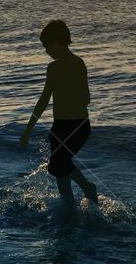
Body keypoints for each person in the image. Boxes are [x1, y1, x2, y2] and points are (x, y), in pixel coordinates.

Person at [20, 19, 97, 206]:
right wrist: (27, 131)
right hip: (59, 127)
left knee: (57, 165)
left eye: (47, 46)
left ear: (56, 42)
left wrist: (69, 93)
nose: (46, 51)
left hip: (77, 125)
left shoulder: (77, 64)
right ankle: (69, 210)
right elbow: (43, 100)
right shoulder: (54, 68)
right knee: (61, 172)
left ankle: (88, 187)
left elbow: (86, 99)